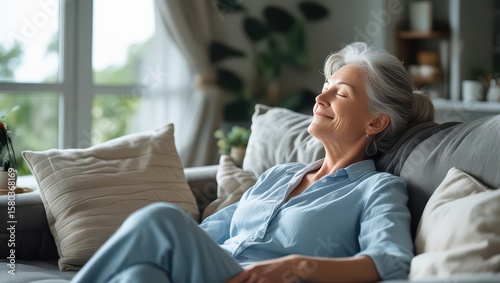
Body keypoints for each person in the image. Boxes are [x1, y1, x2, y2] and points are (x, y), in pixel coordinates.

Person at [71, 42, 434, 283]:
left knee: (161, 218)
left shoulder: (377, 188)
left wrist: (297, 266)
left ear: (375, 122)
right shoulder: (279, 176)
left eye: (339, 93)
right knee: (139, 276)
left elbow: (392, 259)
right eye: (326, 86)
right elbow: (208, 234)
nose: (320, 97)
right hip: (215, 271)